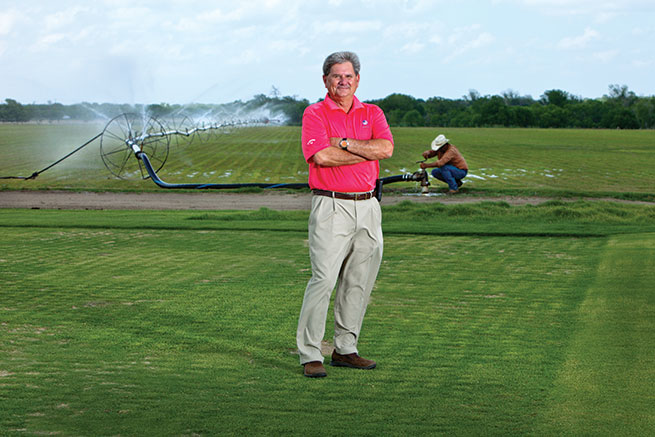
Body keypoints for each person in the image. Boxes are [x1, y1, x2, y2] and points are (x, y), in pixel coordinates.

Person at [296, 51, 394, 378]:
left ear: (357, 79)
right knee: (323, 279)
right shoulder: (315, 113)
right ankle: (311, 353)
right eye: (336, 76)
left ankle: (345, 348)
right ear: (325, 80)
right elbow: (321, 156)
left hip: (368, 206)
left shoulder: (373, 112)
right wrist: (364, 151)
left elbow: (386, 149)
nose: (342, 81)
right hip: (331, 204)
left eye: (348, 76)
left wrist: (347, 144)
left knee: (358, 281)